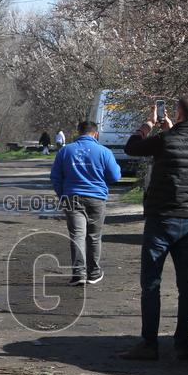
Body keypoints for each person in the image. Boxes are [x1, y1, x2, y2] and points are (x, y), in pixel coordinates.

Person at [121, 96, 188, 361]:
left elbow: (132, 147)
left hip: (161, 219)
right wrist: (171, 130)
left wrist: (148, 124)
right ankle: (182, 346)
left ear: (179, 114)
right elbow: (185, 160)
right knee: (187, 285)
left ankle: (149, 344)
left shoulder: (166, 140)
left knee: (151, 283)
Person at [51, 121, 121, 286]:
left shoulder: (65, 151)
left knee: (77, 235)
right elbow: (115, 176)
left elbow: (55, 177)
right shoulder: (104, 151)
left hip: (72, 197)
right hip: (97, 198)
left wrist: (63, 195)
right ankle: (94, 273)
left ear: (78, 132)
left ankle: (78, 274)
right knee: (94, 236)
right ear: (96, 134)